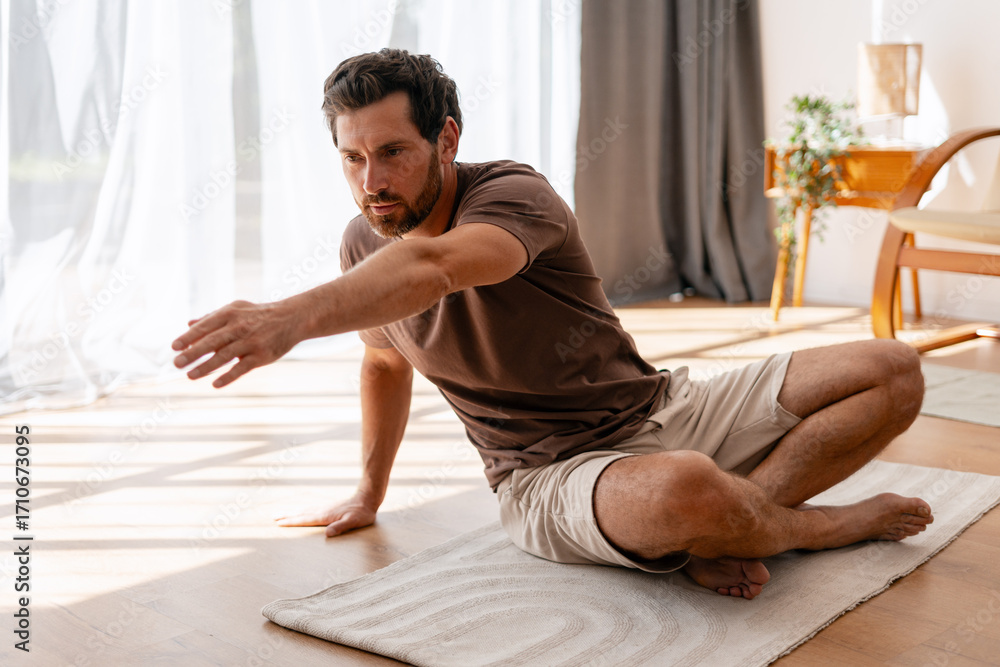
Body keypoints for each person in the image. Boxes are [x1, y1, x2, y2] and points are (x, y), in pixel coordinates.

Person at [172, 49, 932, 600]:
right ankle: (812, 526)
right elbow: (382, 363)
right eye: (353, 158)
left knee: (895, 368)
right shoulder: (360, 244)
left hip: (665, 406)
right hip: (546, 477)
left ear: (447, 138)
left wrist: (290, 316)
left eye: (394, 152)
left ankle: (738, 528)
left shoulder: (512, 195)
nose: (372, 181)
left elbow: (436, 267)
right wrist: (368, 492)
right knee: (687, 489)